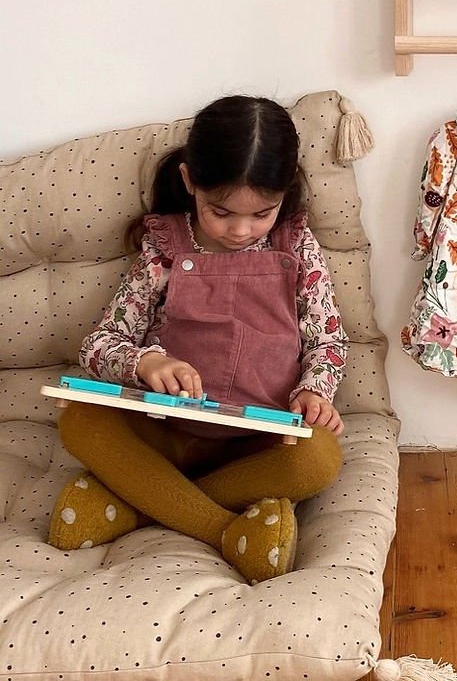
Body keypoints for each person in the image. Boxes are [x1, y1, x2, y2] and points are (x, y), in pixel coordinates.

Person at [48, 95, 347, 583]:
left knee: (319, 458)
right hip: (167, 432)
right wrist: (146, 364)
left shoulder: (297, 245)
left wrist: (315, 390)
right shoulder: (164, 248)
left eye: (261, 214)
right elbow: (100, 343)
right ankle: (225, 529)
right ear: (190, 182)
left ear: (285, 192)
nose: (240, 230)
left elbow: (328, 341)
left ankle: (139, 502)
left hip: (257, 443)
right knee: (80, 419)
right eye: (221, 212)